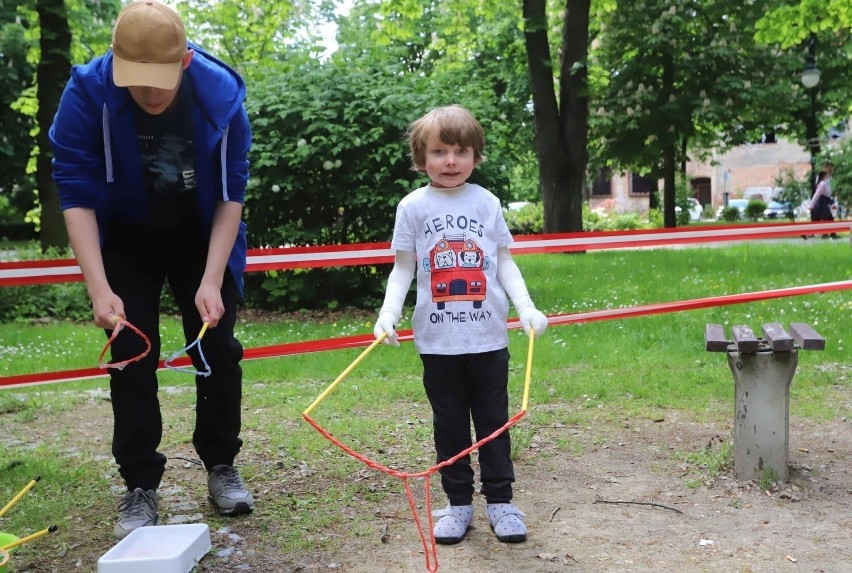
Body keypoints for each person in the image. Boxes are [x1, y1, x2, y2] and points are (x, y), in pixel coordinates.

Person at [48, 0, 254, 540]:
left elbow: (231, 196)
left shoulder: (222, 100)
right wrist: (99, 288)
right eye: (137, 83)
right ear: (117, 66)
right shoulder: (86, 95)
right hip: (126, 236)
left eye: (160, 81)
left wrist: (212, 280)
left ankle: (221, 462)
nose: (150, 94)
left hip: (201, 232)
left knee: (218, 348)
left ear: (184, 61)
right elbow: (75, 194)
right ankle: (140, 483)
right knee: (130, 352)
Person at [373, 105, 548, 545]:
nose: (451, 161)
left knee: (493, 422)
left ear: (475, 155)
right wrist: (388, 313)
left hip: (488, 338)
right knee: (448, 424)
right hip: (438, 343)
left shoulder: (487, 203)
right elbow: (403, 269)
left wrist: (525, 307)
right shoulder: (412, 206)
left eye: (461, 151)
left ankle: (501, 501)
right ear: (422, 157)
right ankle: (457, 504)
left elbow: (503, 260)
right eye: (439, 151)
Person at [808, 169, 838, 238]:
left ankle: (824, 234)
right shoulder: (822, 184)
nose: (828, 176)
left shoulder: (822, 183)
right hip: (821, 204)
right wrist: (811, 205)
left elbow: (826, 196)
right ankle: (829, 234)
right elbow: (817, 195)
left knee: (821, 219)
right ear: (824, 175)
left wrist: (832, 203)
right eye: (827, 174)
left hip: (821, 203)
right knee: (828, 219)